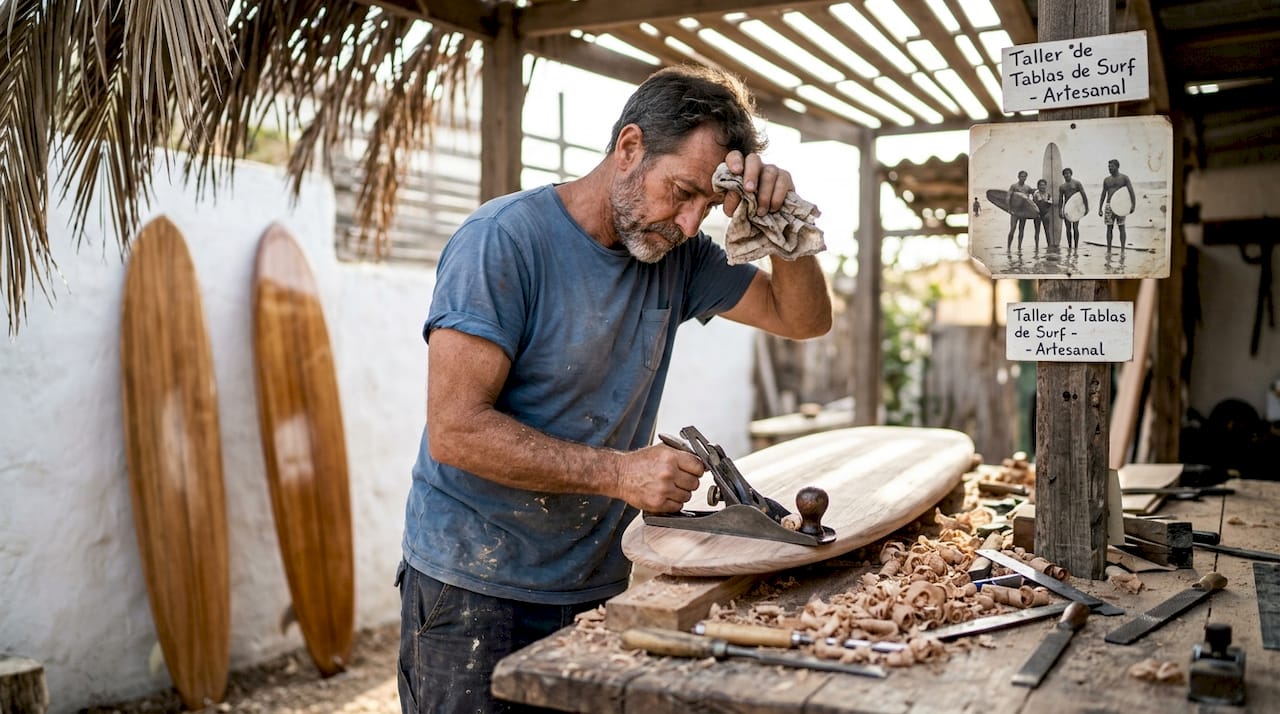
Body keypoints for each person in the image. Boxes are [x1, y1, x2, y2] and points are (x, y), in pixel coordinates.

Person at [397, 65, 833, 713]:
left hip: (596, 579)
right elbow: (457, 430)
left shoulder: (675, 255)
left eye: (708, 207)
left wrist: (779, 223)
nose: (689, 224)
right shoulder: (503, 242)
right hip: (473, 586)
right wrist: (619, 474)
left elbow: (804, 320)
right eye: (681, 191)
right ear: (629, 147)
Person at [1098, 158, 1136, 252]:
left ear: (1117, 167)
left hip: (1121, 206)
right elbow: (1103, 194)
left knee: (1121, 227)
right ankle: (1109, 250)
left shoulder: (1124, 178)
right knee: (1109, 228)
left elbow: (1131, 192)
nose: (1110, 168)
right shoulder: (1106, 180)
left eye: (1112, 166)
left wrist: (1133, 205)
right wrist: (1100, 208)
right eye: (1109, 166)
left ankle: (1122, 249)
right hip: (1109, 205)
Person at [1058, 167, 1087, 253]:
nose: (1067, 175)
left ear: (1071, 174)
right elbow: (1060, 200)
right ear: (1063, 176)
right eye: (1065, 174)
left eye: (1068, 173)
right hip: (1067, 208)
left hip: (1076, 209)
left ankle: (1076, 246)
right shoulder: (1062, 186)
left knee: (1075, 227)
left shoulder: (1077, 183)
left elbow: (1083, 195)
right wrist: (1060, 210)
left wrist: (1086, 207)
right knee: (1068, 228)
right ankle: (1070, 246)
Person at [1006, 170, 1032, 251]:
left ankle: (1019, 247)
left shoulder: (1027, 188)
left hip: (1023, 212)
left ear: (1026, 177)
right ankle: (1008, 247)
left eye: (1024, 176)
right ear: (1018, 177)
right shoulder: (1014, 186)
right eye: (1021, 176)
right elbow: (1008, 197)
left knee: (1021, 229)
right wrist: (1009, 209)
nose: (1023, 178)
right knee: (1012, 229)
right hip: (1015, 211)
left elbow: (1034, 195)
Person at [1030, 178, 1052, 250]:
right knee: (1037, 231)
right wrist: (1036, 214)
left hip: (1045, 215)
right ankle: (1036, 247)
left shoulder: (1048, 195)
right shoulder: (1036, 195)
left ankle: (1049, 246)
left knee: (1047, 231)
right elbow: (1033, 205)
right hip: (1037, 214)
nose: (1042, 186)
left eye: (1044, 185)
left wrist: (1047, 213)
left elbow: (1050, 205)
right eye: (1040, 185)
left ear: (1046, 186)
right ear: (1038, 186)